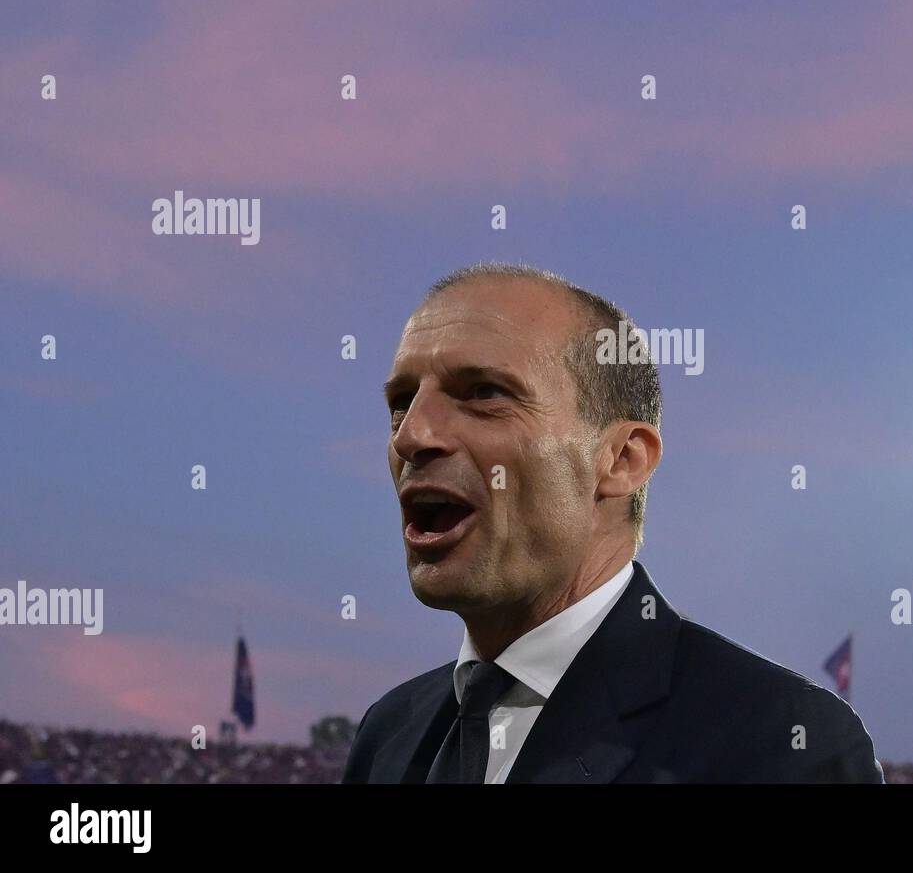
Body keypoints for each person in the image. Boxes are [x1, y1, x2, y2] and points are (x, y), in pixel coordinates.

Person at [344, 263, 883, 783]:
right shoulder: (389, 733)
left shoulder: (781, 744)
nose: (411, 435)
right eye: (401, 401)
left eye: (485, 393)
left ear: (622, 460)